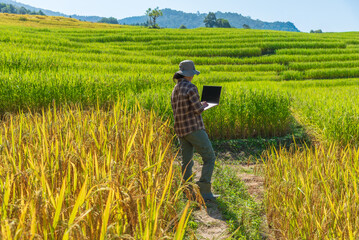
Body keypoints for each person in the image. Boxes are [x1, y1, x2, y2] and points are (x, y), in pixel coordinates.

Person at [171, 60, 219, 201]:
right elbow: (197, 110)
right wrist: (204, 104)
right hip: (194, 128)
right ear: (190, 74)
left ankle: (186, 191)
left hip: (180, 130)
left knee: (187, 161)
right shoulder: (191, 87)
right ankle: (204, 191)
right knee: (209, 157)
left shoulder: (176, 88)